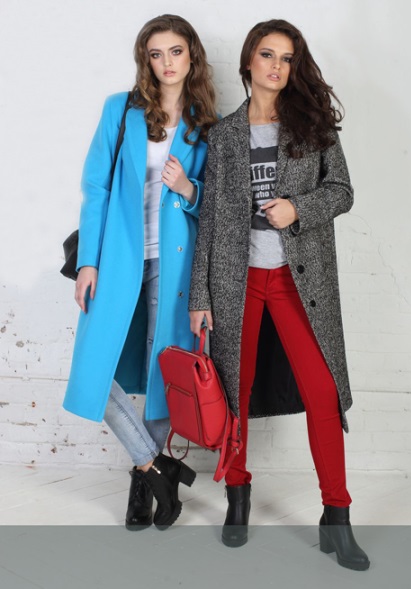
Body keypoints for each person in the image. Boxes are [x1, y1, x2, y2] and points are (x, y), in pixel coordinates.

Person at [189, 19, 369, 570]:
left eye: (287, 58)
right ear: (249, 60)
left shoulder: (312, 126)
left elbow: (342, 191)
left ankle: (336, 515)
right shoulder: (223, 135)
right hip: (237, 282)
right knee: (235, 394)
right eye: (267, 55)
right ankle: (238, 496)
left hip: (298, 282)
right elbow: (211, 220)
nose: (276, 66)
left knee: (323, 394)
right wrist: (200, 296)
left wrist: (297, 208)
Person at [63, 14, 217, 531]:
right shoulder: (121, 110)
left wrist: (188, 188)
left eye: (175, 51)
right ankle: (155, 467)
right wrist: (88, 261)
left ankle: (142, 483)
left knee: (163, 371)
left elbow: (221, 207)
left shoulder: (208, 123)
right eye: (156, 54)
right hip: (119, 258)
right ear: (145, 60)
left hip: (177, 264)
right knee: (93, 367)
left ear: (191, 55)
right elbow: (97, 188)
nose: (166, 63)